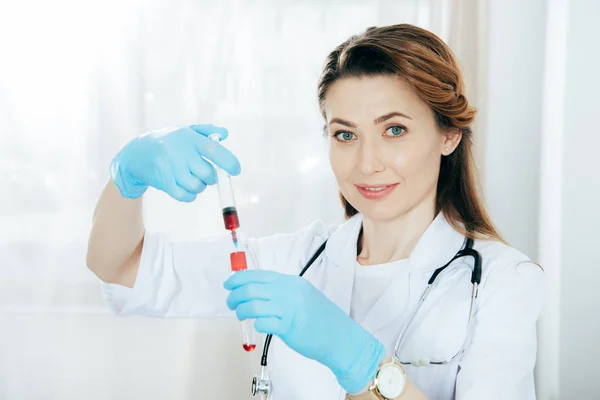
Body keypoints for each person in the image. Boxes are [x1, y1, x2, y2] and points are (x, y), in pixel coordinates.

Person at [86, 24, 544, 400]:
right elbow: (121, 266)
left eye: (395, 130)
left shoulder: (502, 282)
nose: (367, 163)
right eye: (345, 134)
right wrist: (128, 177)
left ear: (449, 136)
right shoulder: (295, 261)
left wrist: (362, 364)